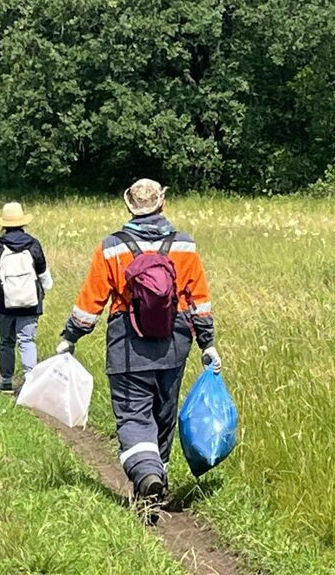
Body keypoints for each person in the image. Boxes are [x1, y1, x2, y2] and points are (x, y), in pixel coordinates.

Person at [55, 179, 220, 513]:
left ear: (128, 206)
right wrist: (208, 343)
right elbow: (198, 300)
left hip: (126, 343)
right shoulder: (185, 245)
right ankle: (157, 478)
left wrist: (70, 336)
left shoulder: (111, 247)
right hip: (175, 343)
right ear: (162, 203)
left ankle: (146, 476)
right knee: (163, 414)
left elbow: (91, 302)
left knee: (133, 415)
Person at [0, 202, 54, 392]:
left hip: (3, 302)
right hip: (30, 302)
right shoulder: (33, 244)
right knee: (27, 341)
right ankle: (30, 383)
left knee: (6, 341)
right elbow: (44, 274)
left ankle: (6, 382)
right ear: (23, 222)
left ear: (3, 224)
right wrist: (43, 290)